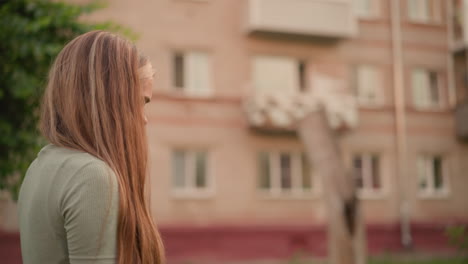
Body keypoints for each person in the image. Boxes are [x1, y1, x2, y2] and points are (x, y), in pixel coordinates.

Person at [17, 30, 165, 264]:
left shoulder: (39, 166)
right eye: (140, 102)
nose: (144, 118)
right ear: (110, 98)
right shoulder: (91, 175)